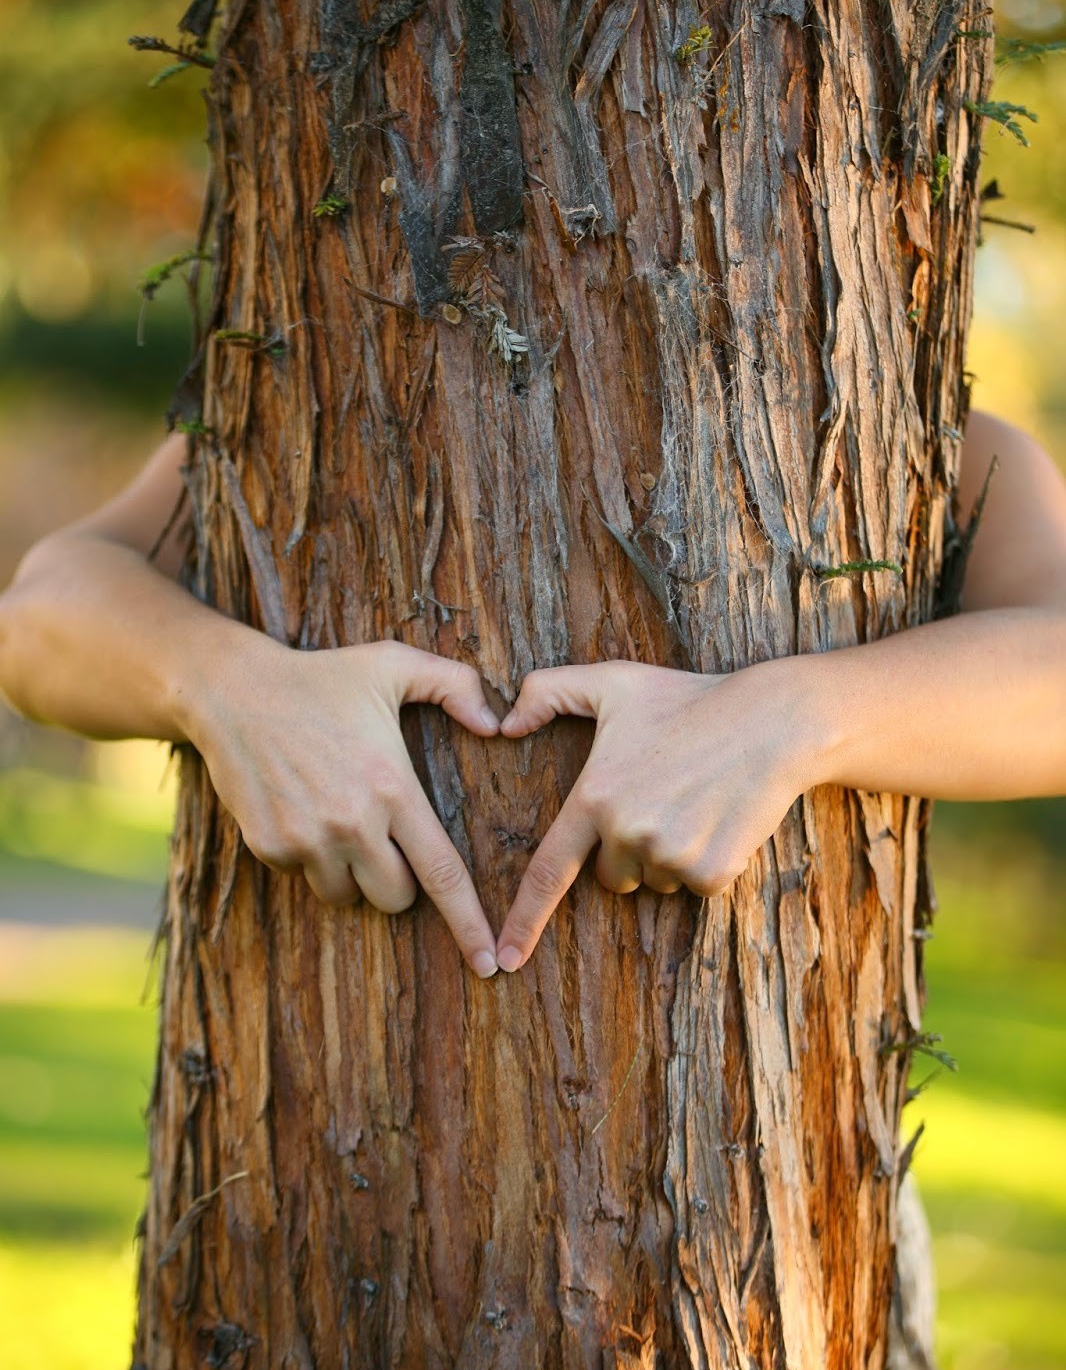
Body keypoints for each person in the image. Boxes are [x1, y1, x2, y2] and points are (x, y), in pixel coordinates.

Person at [0, 408, 1064, 983]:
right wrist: (224, 685)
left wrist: (790, 715)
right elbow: (38, 613)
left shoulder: (943, 446)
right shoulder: (279, 409)